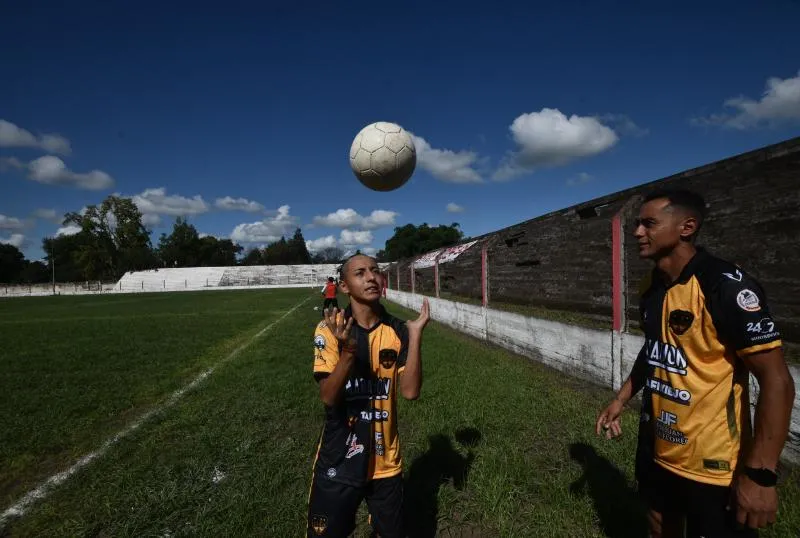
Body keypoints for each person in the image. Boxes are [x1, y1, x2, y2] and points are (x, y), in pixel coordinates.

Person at [595, 189, 795, 538]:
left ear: (686, 227)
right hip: (659, 443)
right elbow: (654, 349)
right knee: (658, 523)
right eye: (637, 224)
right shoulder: (651, 287)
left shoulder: (724, 286)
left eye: (649, 224)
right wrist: (621, 398)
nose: (637, 232)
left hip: (714, 461)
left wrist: (761, 474)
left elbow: (777, 380)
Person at [307, 254, 431, 538]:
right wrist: (348, 351)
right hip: (339, 458)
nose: (371, 277)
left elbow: (410, 393)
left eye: (375, 271)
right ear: (344, 286)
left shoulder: (398, 331)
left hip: (386, 460)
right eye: (360, 273)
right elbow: (327, 397)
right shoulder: (330, 329)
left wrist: (415, 337)